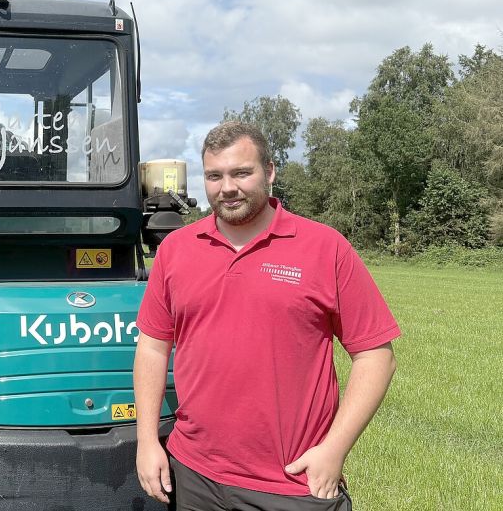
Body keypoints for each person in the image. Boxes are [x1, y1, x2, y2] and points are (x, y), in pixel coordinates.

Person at [134, 122, 399, 510]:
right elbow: (153, 348)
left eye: (242, 172)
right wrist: (146, 442)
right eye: (214, 175)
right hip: (193, 476)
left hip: (292, 483)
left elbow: (377, 356)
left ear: (270, 172)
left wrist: (334, 450)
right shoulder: (176, 249)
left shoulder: (325, 248)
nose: (227, 187)